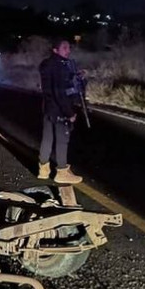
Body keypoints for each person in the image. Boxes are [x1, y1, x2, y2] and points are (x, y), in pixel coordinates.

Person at [37, 38, 85, 184]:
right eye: (64, 48)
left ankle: (43, 170)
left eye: (68, 47)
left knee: (47, 139)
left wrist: (74, 76)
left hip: (48, 108)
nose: (68, 50)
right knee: (62, 141)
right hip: (59, 110)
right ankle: (62, 172)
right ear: (55, 50)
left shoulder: (46, 64)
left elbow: (52, 84)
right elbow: (60, 92)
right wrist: (69, 113)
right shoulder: (60, 66)